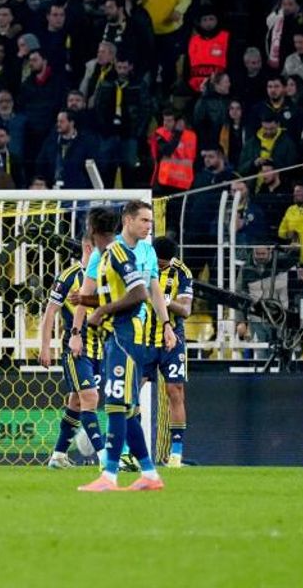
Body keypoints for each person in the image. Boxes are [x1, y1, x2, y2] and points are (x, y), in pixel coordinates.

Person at [77, 201, 177, 492]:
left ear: (92, 230)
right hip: (118, 336)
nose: (148, 226)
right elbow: (122, 295)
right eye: (144, 220)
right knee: (128, 409)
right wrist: (91, 304)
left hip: (125, 337)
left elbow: (140, 293)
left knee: (116, 405)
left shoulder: (118, 254)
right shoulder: (109, 255)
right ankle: (150, 474)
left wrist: (100, 311)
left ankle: (109, 476)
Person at [39, 209, 114, 469]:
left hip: (100, 348)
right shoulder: (69, 275)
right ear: (89, 247)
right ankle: (105, 457)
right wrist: (45, 347)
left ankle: (58, 455)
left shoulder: (104, 275)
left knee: (77, 400)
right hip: (76, 349)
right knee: (90, 398)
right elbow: (50, 312)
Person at [150, 237, 193, 467]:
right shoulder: (141, 265)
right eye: (158, 263)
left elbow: (185, 309)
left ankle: (176, 454)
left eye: (164, 264)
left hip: (172, 339)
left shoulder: (182, 272)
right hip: (144, 337)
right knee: (132, 390)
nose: (160, 267)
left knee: (175, 390)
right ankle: (128, 451)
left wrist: (163, 300)